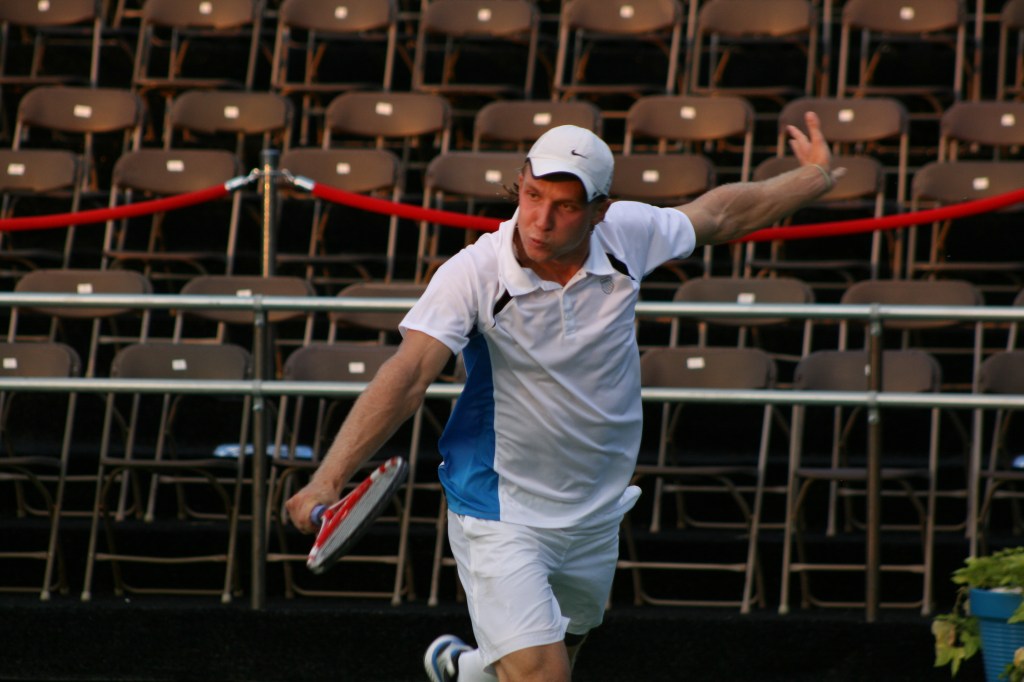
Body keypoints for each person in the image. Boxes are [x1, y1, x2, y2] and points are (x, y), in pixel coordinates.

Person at [285, 112, 842, 682]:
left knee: (561, 655)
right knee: (542, 675)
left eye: (565, 206)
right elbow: (407, 375)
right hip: (501, 509)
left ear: (600, 212)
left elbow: (722, 214)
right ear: (519, 185)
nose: (540, 220)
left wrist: (816, 176)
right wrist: (327, 480)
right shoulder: (474, 274)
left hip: (595, 510)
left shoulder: (627, 234)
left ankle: (464, 669)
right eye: (531, 196)